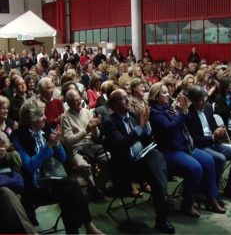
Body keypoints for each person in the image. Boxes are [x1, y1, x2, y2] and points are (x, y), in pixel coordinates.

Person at [12, 99, 102, 234]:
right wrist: (48, 146)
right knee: (70, 186)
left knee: (69, 189)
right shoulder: (18, 137)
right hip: (34, 186)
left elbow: (63, 158)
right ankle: (89, 227)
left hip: (53, 179)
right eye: (41, 115)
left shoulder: (46, 129)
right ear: (31, 119)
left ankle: (84, 229)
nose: (45, 117)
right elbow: (29, 167)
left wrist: (58, 143)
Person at [102, 89, 175, 234]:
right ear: (114, 104)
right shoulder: (110, 123)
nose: (128, 100)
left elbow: (148, 140)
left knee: (155, 155)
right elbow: (122, 146)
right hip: (127, 167)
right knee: (157, 167)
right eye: (123, 98)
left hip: (143, 160)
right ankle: (162, 203)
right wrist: (140, 127)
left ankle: (161, 208)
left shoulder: (134, 116)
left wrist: (146, 125)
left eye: (127, 97)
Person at [149, 82, 225, 218]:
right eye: (164, 93)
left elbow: (184, 122)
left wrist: (183, 109)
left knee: (209, 160)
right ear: (156, 97)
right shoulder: (155, 112)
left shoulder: (170, 108)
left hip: (184, 146)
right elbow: (170, 128)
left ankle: (211, 198)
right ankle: (187, 204)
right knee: (195, 169)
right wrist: (182, 113)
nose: (168, 95)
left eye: (168, 92)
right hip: (170, 151)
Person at [186, 85, 231, 200]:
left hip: (213, 142)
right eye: (200, 100)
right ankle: (212, 192)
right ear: (192, 101)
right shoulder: (188, 113)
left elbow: (213, 126)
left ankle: (230, 189)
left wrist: (220, 131)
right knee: (220, 158)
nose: (203, 102)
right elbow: (193, 139)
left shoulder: (208, 108)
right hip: (200, 147)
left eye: (205, 99)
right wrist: (212, 138)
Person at [61, 89, 107, 201]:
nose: (79, 102)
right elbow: (68, 140)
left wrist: (95, 128)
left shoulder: (87, 112)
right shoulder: (65, 117)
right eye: (75, 101)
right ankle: (93, 187)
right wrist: (86, 130)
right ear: (69, 103)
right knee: (83, 166)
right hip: (77, 148)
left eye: (79, 99)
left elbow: (96, 137)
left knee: (109, 158)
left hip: (91, 145)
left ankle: (98, 186)